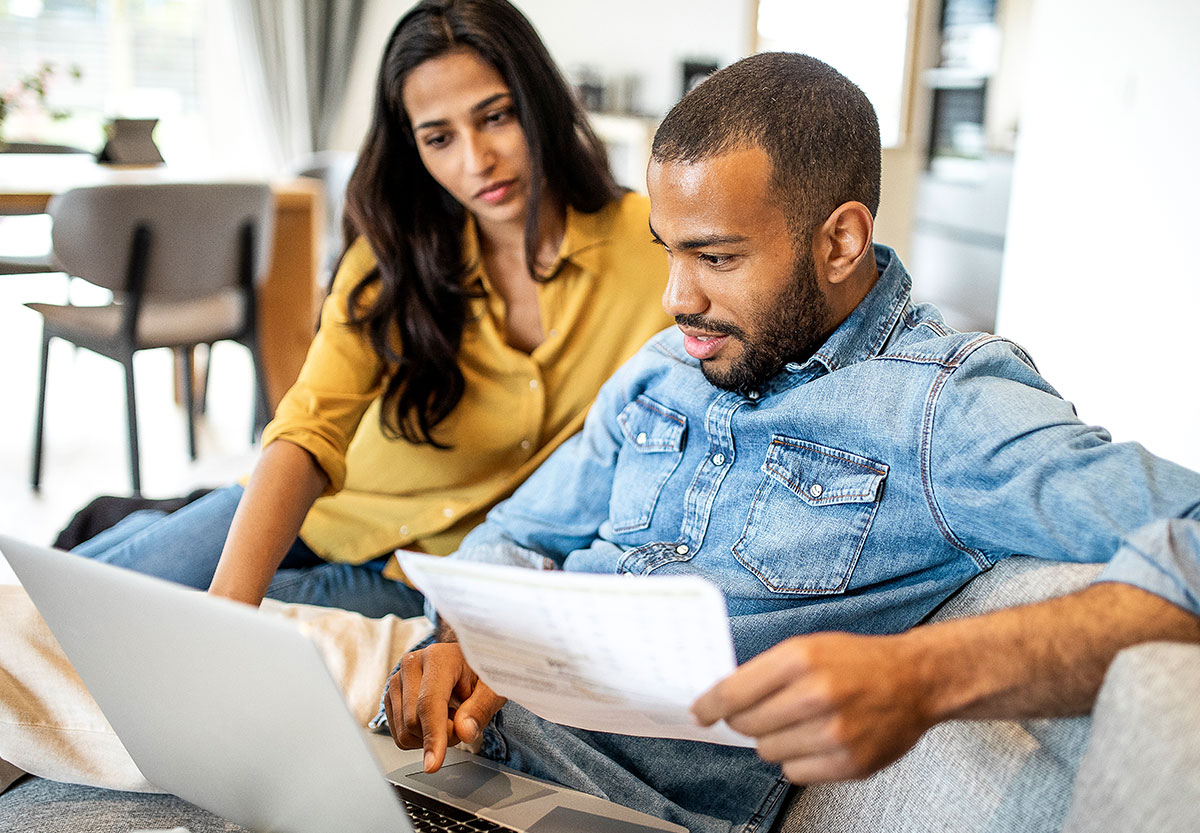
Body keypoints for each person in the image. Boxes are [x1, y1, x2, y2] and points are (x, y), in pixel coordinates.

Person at [382, 52, 1200, 833]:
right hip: (465, 758)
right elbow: (516, 534)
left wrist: (924, 675)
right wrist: (459, 641)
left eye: (716, 257)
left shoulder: (941, 407)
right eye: (670, 252)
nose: (675, 298)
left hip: (606, 805)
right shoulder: (666, 367)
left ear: (840, 241)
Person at [68, 0, 670, 618]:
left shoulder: (656, 246)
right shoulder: (393, 256)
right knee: (69, 604)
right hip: (319, 510)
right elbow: (309, 426)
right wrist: (228, 607)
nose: (475, 161)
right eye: (439, 138)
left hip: (431, 570)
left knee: (153, 623)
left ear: (540, 102)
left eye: (497, 117)